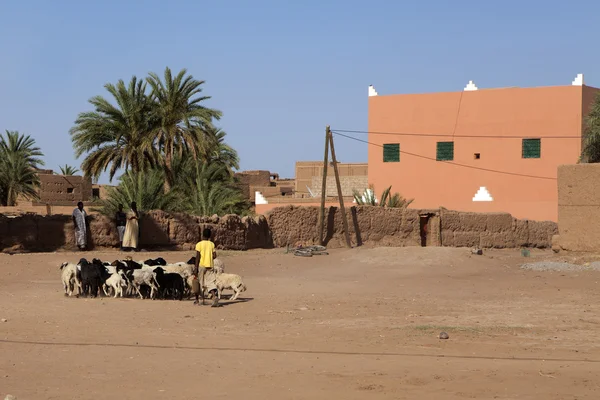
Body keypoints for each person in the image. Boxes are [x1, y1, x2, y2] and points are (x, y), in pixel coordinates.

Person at [193, 228, 219, 307]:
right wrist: (209, 258)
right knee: (211, 282)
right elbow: (214, 255)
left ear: (202, 235)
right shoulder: (211, 244)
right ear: (209, 236)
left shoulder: (199, 244)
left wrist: (196, 268)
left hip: (201, 266)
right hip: (210, 265)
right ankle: (214, 297)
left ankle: (197, 300)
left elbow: (197, 257)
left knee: (200, 283)